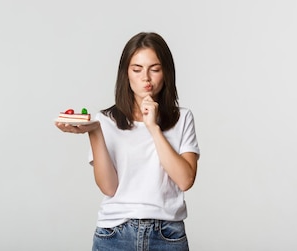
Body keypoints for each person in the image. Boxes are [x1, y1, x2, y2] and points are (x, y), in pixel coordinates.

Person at [55, 32, 200, 251]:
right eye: (137, 69)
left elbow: (185, 180)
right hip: (115, 234)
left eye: (155, 69)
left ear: (166, 73)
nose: (146, 78)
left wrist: (153, 127)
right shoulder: (104, 120)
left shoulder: (183, 118)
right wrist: (94, 132)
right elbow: (109, 187)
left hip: (167, 235)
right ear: (126, 73)